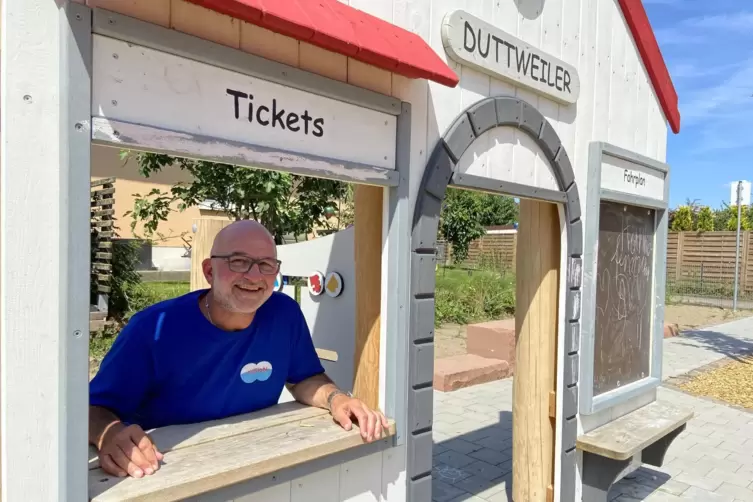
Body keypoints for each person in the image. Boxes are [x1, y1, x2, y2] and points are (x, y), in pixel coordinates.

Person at [89, 220, 388, 479]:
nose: (254, 276)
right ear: (209, 270)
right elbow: (91, 410)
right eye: (238, 261)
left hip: (257, 466)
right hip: (164, 472)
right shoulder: (152, 329)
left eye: (266, 264)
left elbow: (305, 379)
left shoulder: (284, 313)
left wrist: (336, 399)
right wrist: (109, 434)